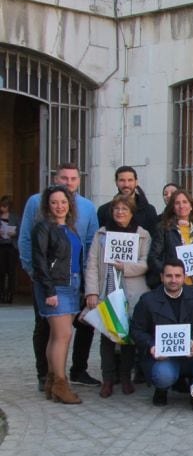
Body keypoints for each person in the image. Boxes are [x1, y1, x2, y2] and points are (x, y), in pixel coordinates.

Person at [19, 163, 100, 389]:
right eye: (64, 178)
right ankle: (46, 376)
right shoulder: (37, 202)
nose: (69, 182)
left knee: (83, 326)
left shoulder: (86, 207)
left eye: (73, 178)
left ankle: (78, 371)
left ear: (79, 181)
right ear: (55, 179)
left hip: (76, 279)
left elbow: (89, 243)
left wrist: (88, 279)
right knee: (47, 328)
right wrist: (33, 272)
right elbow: (26, 239)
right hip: (49, 280)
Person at [85, 194, 151, 397]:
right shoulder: (101, 234)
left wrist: (125, 267)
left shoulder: (142, 235)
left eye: (124, 209)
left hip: (132, 292)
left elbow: (145, 263)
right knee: (107, 336)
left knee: (128, 337)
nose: (120, 212)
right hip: (108, 290)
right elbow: (92, 264)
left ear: (132, 213)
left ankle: (125, 377)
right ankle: (107, 378)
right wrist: (92, 292)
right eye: (116, 209)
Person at [130, 258, 193, 407]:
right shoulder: (148, 300)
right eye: (169, 276)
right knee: (164, 376)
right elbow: (136, 330)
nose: (173, 280)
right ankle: (161, 388)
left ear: (184, 277)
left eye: (178, 276)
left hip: (190, 353)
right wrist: (152, 346)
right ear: (161, 277)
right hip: (163, 357)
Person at [31, 186, 83, 404]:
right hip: (56, 286)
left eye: (63, 202)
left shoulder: (70, 229)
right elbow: (40, 261)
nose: (59, 206)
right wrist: (49, 291)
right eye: (54, 202)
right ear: (47, 206)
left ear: (69, 204)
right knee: (64, 336)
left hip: (72, 284)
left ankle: (53, 382)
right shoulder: (43, 228)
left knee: (57, 336)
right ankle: (61, 384)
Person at [148, 189, 193, 288]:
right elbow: (153, 258)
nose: (181, 206)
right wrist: (168, 273)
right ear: (173, 207)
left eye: (185, 202)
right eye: (177, 203)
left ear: (191, 206)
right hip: (172, 285)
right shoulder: (164, 228)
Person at [96, 166, 158, 233]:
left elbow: (153, 239)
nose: (126, 185)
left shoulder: (149, 210)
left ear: (136, 182)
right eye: (122, 180)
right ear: (116, 182)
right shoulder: (104, 210)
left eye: (130, 180)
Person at [0, 195, 17, 303]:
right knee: (1, 271)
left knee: (11, 271)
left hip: (11, 246)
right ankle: (2, 293)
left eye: (5, 206)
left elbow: (21, 230)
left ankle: (11, 293)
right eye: (1, 206)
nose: (2, 208)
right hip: (1, 246)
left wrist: (15, 233)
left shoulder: (15, 217)